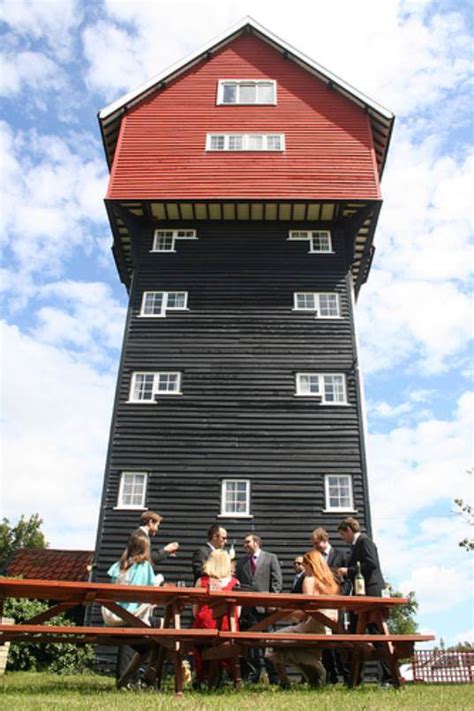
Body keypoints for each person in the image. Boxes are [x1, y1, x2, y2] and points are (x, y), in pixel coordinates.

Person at [266, 549, 340, 689]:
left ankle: (285, 681)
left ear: (310, 565)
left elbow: (307, 611)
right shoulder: (332, 584)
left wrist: (286, 614)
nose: (303, 570)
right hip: (327, 629)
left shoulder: (309, 580)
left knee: (270, 640)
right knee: (294, 647)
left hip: (310, 627)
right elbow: (331, 615)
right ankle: (314, 672)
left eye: (304, 566)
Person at [336, 517, 393, 686]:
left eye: (342, 534)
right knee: (355, 634)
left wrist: (348, 570)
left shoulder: (365, 541)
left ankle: (389, 677)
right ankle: (355, 679)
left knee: (378, 635)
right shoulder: (355, 546)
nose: (342, 538)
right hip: (360, 595)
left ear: (348, 530)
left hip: (372, 591)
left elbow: (371, 564)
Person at [103, 534, 161, 686]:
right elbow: (152, 588)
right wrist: (159, 580)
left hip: (113, 619)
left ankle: (126, 680)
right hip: (132, 619)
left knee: (156, 634)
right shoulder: (145, 567)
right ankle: (144, 677)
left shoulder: (118, 566)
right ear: (145, 549)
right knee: (160, 639)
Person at [236, 534, 282, 684]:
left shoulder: (270, 558)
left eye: (247, 542)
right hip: (248, 610)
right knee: (251, 644)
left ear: (256, 542)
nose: (245, 545)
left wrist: (272, 602)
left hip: (266, 609)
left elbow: (276, 583)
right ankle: (254, 675)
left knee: (269, 642)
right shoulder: (242, 562)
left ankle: (274, 676)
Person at [192, 550, 240, 686]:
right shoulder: (235, 583)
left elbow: (195, 611)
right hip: (228, 630)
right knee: (227, 638)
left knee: (199, 640)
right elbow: (238, 613)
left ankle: (202, 676)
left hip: (204, 629)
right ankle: (223, 671)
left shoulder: (201, 582)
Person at [311, 527, 347, 683]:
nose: (314, 547)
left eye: (316, 543)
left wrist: (341, 596)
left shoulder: (341, 555)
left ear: (324, 540)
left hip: (337, 603)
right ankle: (331, 676)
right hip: (321, 603)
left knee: (340, 638)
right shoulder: (315, 557)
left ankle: (346, 675)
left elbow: (348, 580)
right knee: (323, 639)